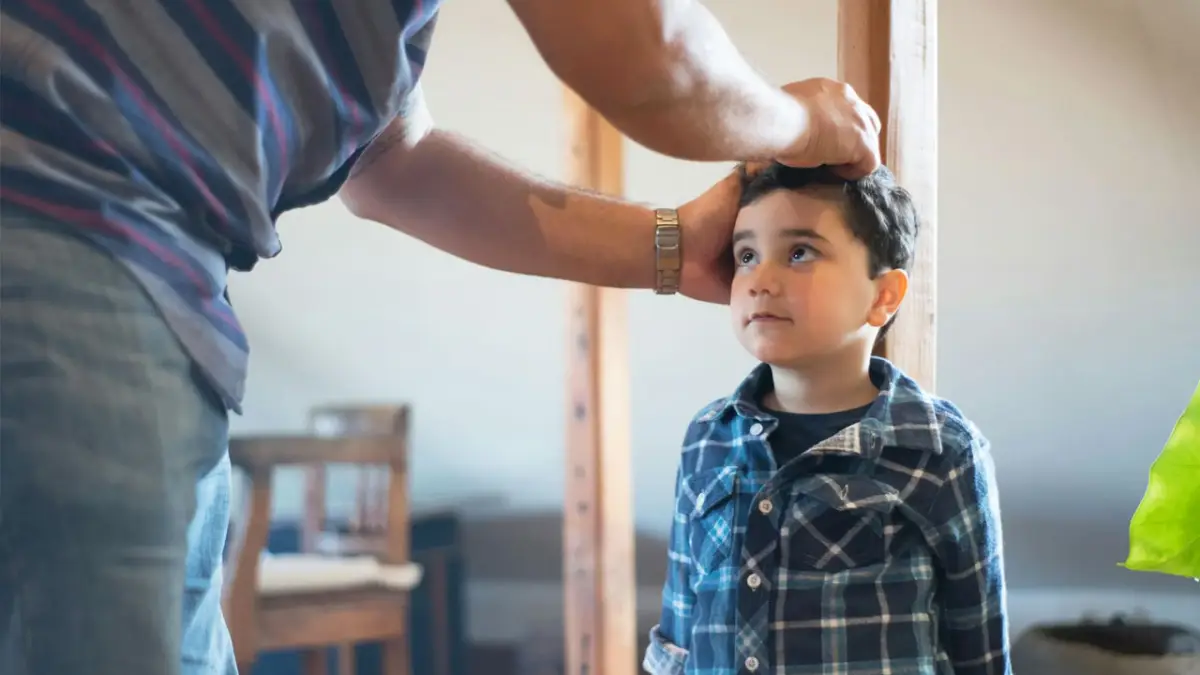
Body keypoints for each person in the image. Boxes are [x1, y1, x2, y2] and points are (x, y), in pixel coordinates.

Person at [0, 1, 882, 674]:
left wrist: (669, 245)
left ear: (886, 295)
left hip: (129, 281)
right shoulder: (716, 446)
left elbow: (391, 163)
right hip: (68, 235)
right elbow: (655, 52)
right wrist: (805, 121)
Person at [644, 163, 1011, 675]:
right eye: (746, 255)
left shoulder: (942, 449)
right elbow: (678, 634)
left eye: (799, 253)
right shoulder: (707, 437)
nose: (760, 281)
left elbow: (981, 646)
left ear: (883, 296)